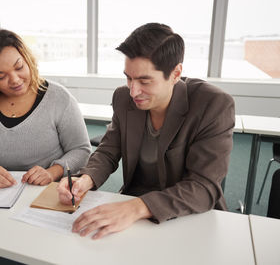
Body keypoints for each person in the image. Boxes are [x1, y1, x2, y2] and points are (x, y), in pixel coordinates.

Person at [57, 23, 235, 239]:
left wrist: (136, 207)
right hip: (133, 210)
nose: (133, 91)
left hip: (189, 215)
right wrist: (86, 179)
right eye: (129, 77)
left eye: (144, 81)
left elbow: (203, 187)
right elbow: (107, 151)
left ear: (176, 73)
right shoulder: (123, 98)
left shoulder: (213, 105)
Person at [0, 28, 91, 187]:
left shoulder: (60, 98)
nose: (14, 80)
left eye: (19, 67)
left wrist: (52, 172)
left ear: (28, 60)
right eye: (0, 76)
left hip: (45, 190)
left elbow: (81, 150)